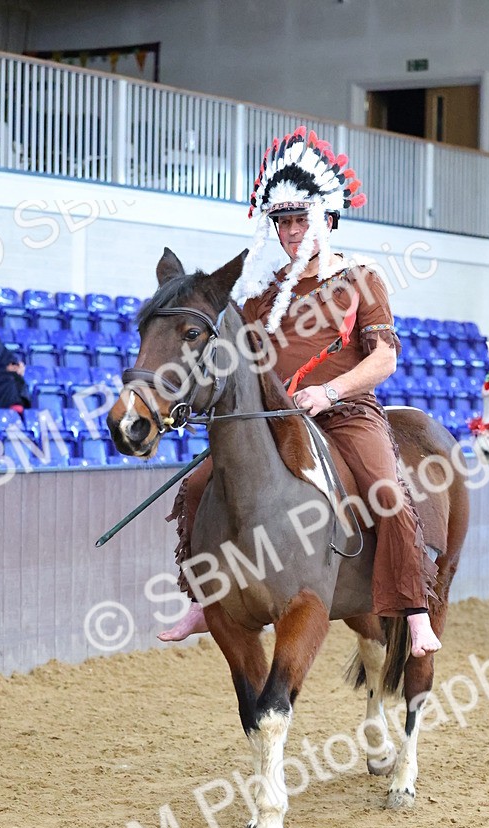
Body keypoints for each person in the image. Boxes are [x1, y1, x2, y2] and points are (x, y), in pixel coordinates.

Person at [159, 126, 441, 656]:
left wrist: (331, 392)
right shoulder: (264, 292)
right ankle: (202, 597)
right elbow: (238, 359)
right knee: (198, 485)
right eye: (283, 221)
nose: (290, 231)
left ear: (327, 220)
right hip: (274, 416)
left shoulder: (361, 279)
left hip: (345, 412)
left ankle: (413, 606)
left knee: (386, 489)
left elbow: (384, 357)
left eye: (299, 219)